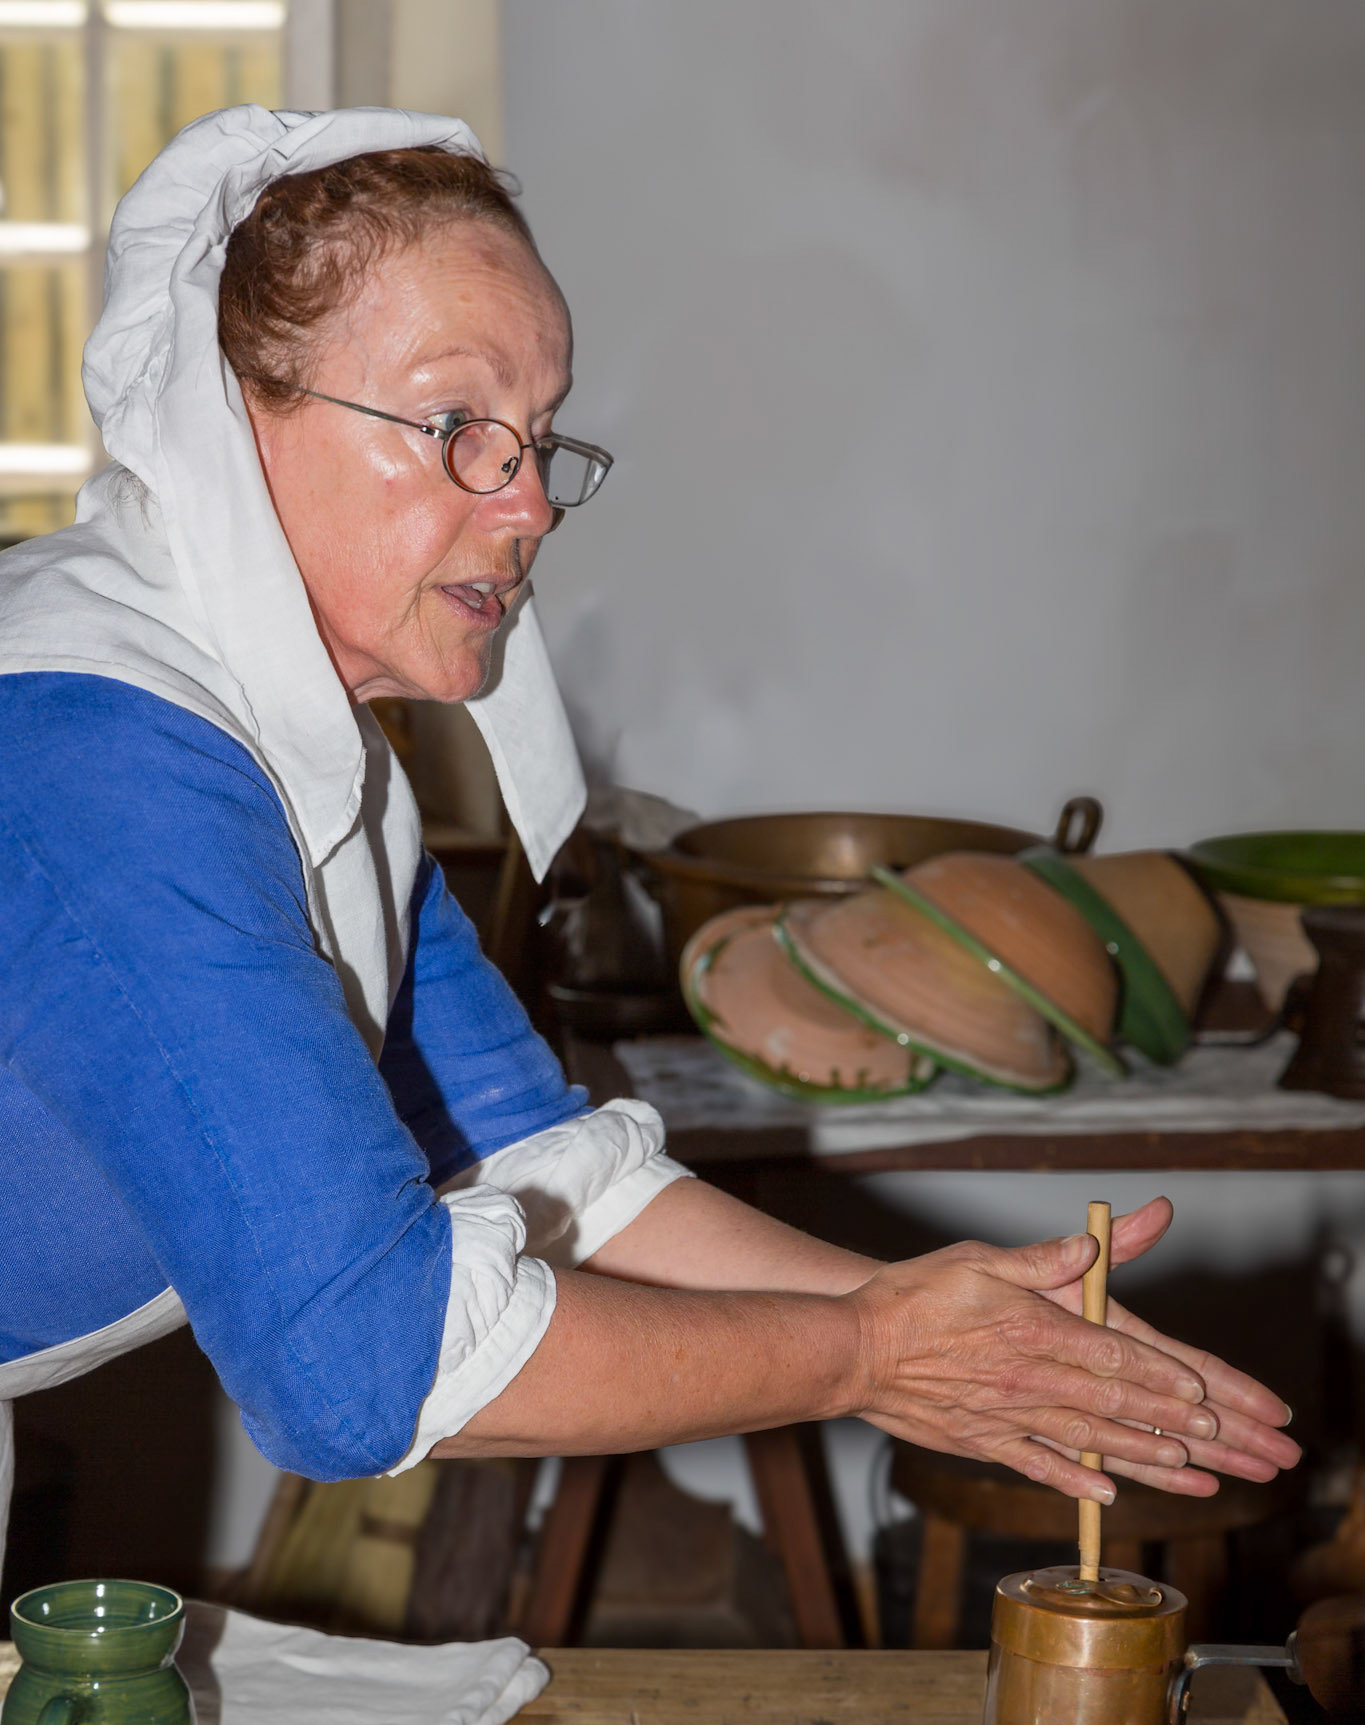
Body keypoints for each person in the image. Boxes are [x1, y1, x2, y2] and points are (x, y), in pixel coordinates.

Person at [0, 106, 1296, 1576]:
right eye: (457, 427)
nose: (532, 503)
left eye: (542, 439)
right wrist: (865, 1359)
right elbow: (367, 1370)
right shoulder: (101, 753)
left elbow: (538, 1157)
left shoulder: (306, 749)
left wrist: (930, 1319)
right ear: (235, 421)